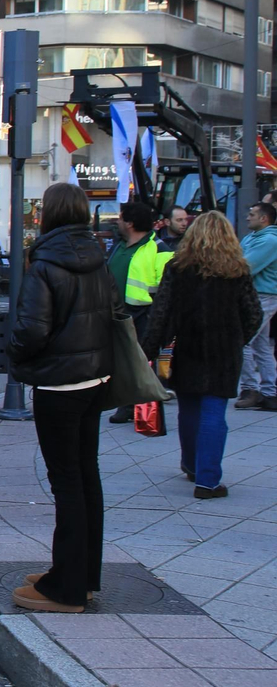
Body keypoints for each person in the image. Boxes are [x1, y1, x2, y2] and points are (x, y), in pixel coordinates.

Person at [6, 183, 121, 614]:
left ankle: (66, 588)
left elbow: (31, 330)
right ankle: (84, 575)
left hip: (58, 385)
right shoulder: (98, 258)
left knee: (66, 483)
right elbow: (113, 311)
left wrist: (16, 354)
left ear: (48, 214)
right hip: (95, 380)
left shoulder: (45, 264)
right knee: (87, 476)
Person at [142, 211, 263, 501]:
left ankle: (192, 465)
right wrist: (238, 338)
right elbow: (254, 314)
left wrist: (148, 350)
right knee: (213, 412)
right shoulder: (237, 270)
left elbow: (161, 313)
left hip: (188, 347)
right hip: (224, 351)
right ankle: (208, 481)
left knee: (190, 408)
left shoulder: (177, 268)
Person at [107, 200, 172, 422]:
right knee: (122, 363)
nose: (118, 221)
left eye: (121, 218)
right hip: (118, 314)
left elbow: (167, 286)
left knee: (143, 365)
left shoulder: (159, 249)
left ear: (131, 223)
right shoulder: (119, 246)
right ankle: (126, 406)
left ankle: (148, 413)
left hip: (144, 315)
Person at [235, 203, 277, 410]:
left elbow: (244, 267)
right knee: (261, 346)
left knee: (243, 340)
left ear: (264, 219)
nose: (247, 217)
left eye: (252, 214)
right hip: (256, 295)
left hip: (264, 296)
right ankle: (269, 393)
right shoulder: (253, 238)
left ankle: (250, 389)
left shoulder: (269, 241)